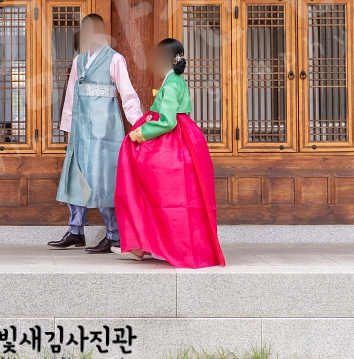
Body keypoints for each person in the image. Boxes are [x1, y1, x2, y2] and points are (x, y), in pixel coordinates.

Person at [113, 38, 225, 268]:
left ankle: (148, 245)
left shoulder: (172, 84)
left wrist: (140, 133)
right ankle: (146, 244)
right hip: (183, 141)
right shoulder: (174, 80)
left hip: (171, 142)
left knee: (153, 191)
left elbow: (167, 121)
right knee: (169, 197)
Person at [49, 14, 143, 253]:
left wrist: (139, 124)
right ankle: (76, 231)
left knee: (104, 178)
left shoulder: (114, 59)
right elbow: (71, 95)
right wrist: (68, 128)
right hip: (81, 128)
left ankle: (114, 235)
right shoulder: (79, 61)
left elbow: (127, 93)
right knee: (76, 176)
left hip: (105, 129)